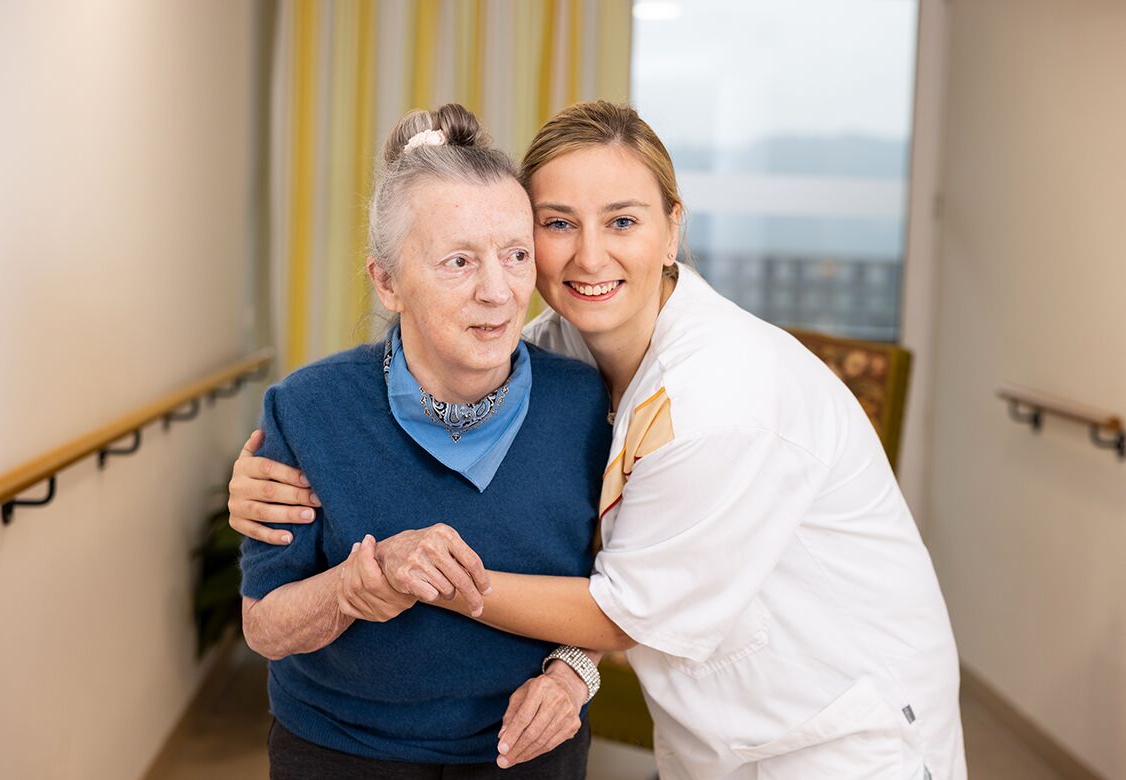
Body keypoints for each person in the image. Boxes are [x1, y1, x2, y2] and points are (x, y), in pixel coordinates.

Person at [232, 101, 967, 780]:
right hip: (711, 731)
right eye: (557, 224)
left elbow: (623, 606)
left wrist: (436, 586)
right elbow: (444, 361)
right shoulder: (555, 351)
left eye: (622, 221)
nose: (587, 258)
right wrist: (267, 472)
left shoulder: (722, 400)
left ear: (672, 229)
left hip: (837, 734)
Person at [236, 103, 614, 779]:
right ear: (387, 281)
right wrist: (353, 586)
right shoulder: (308, 409)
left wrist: (571, 674)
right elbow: (264, 626)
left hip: (525, 753)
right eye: (459, 261)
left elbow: (620, 592)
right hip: (340, 751)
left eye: (516, 255)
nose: (498, 292)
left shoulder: (587, 403)